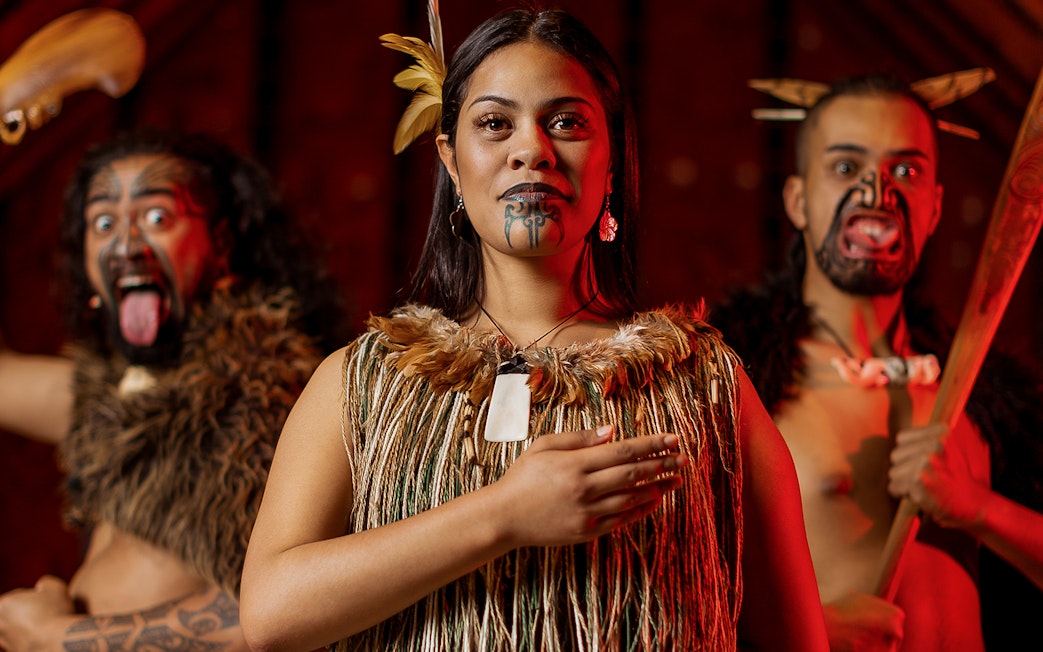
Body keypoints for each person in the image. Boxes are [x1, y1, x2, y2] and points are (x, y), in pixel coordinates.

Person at [240, 7, 828, 652]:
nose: (532, 149)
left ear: (612, 163)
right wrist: (504, 515)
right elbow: (271, 613)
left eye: (567, 122)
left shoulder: (705, 384)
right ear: (451, 160)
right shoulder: (365, 381)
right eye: (495, 124)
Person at [712, 73, 1043, 650]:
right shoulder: (739, 387)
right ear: (796, 200)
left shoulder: (985, 400)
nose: (876, 190)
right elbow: (669, 593)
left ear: (935, 206)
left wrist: (980, 509)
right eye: (845, 167)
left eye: (906, 171)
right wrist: (801, 633)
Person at [0, 127, 344, 651]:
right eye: (104, 222)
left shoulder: (261, 397)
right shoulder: (109, 393)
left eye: (157, 218)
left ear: (223, 245)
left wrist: (57, 637)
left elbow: (272, 608)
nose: (126, 245)